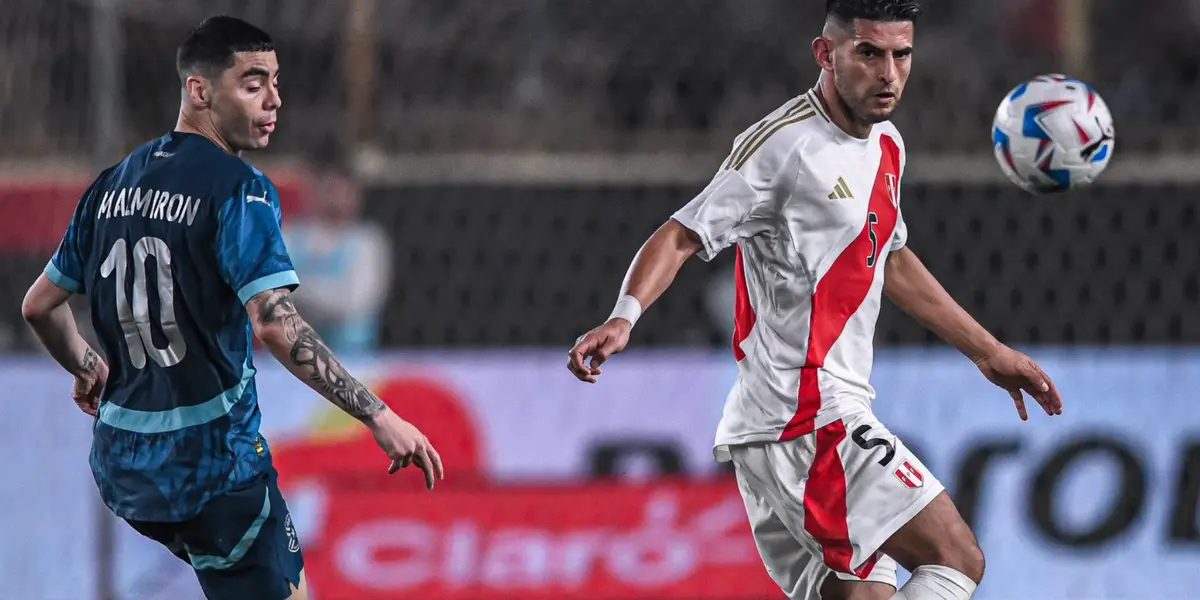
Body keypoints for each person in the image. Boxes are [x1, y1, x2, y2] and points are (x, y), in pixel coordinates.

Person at [567, 1, 1062, 599]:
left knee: (866, 595)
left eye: (901, 54)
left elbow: (891, 258)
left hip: (791, 425)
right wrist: (624, 317)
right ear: (826, 54)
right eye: (868, 54)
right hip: (804, 417)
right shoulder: (783, 147)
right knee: (955, 556)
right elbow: (680, 234)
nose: (888, 74)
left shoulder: (887, 145)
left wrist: (986, 352)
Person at [19, 16, 442, 600]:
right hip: (212, 467)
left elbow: (40, 305)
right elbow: (274, 322)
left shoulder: (110, 186)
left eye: (275, 82)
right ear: (199, 91)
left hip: (124, 466)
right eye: (253, 83)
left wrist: (89, 367)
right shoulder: (239, 190)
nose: (274, 100)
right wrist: (378, 415)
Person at [283, 161, 391, 356]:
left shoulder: (367, 242)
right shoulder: (289, 237)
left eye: (344, 192)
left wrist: (305, 293)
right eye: (330, 190)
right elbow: (271, 293)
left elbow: (358, 304)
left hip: (350, 355)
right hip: (292, 353)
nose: (336, 199)